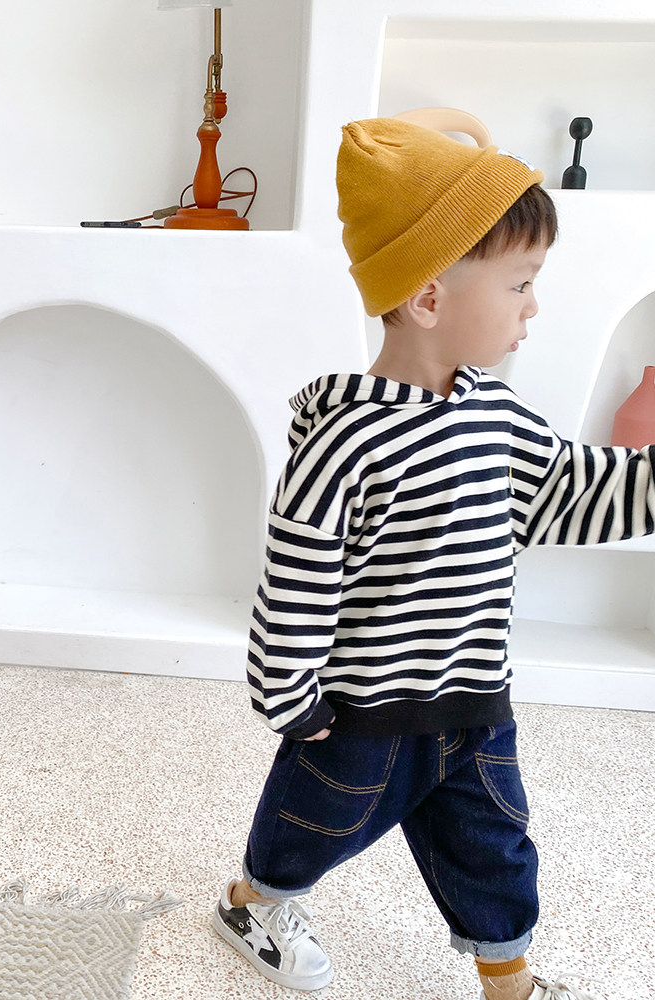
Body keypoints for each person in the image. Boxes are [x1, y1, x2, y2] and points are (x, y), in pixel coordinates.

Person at [211, 118, 647, 999]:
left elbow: (573, 488)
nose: (533, 307)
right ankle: (253, 902)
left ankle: (509, 979)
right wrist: (292, 702)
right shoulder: (344, 443)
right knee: (309, 827)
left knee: (495, 848)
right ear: (429, 298)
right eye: (520, 283)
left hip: (475, 704)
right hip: (361, 712)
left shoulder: (498, 416)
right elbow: (296, 585)